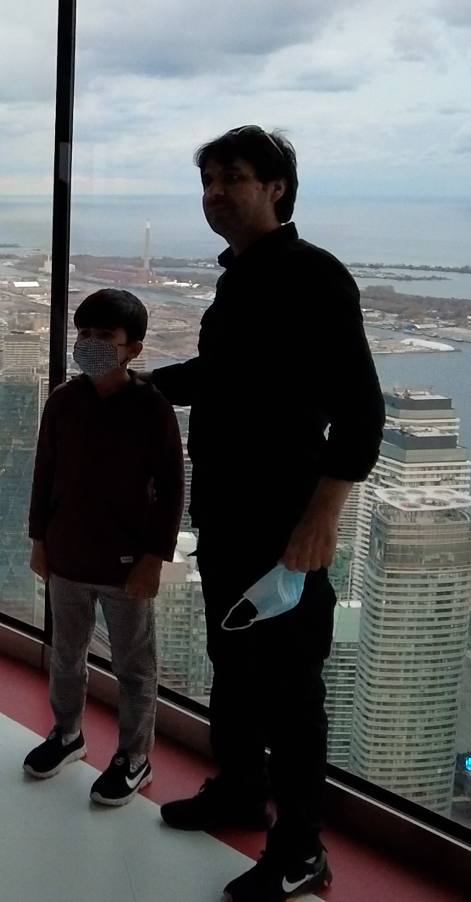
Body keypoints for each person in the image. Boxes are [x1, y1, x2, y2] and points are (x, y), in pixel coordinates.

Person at [149, 126, 384, 902]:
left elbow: (360, 414)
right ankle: (243, 790)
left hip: (285, 523)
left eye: (234, 178)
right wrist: (144, 384)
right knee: (233, 667)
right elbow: (224, 377)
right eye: (209, 180)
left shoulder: (313, 277)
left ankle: (301, 847)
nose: (216, 193)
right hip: (228, 514)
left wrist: (321, 518)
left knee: (290, 688)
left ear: (278, 187)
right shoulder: (241, 278)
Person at [24, 289, 184, 808]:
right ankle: (67, 734)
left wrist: (154, 559)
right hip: (67, 557)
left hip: (125, 567)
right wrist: (40, 541)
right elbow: (44, 474)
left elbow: (173, 489)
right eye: (84, 335)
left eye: (104, 337)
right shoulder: (64, 401)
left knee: (135, 669)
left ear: (132, 349)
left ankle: (134, 758)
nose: (90, 345)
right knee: (66, 657)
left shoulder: (152, 409)